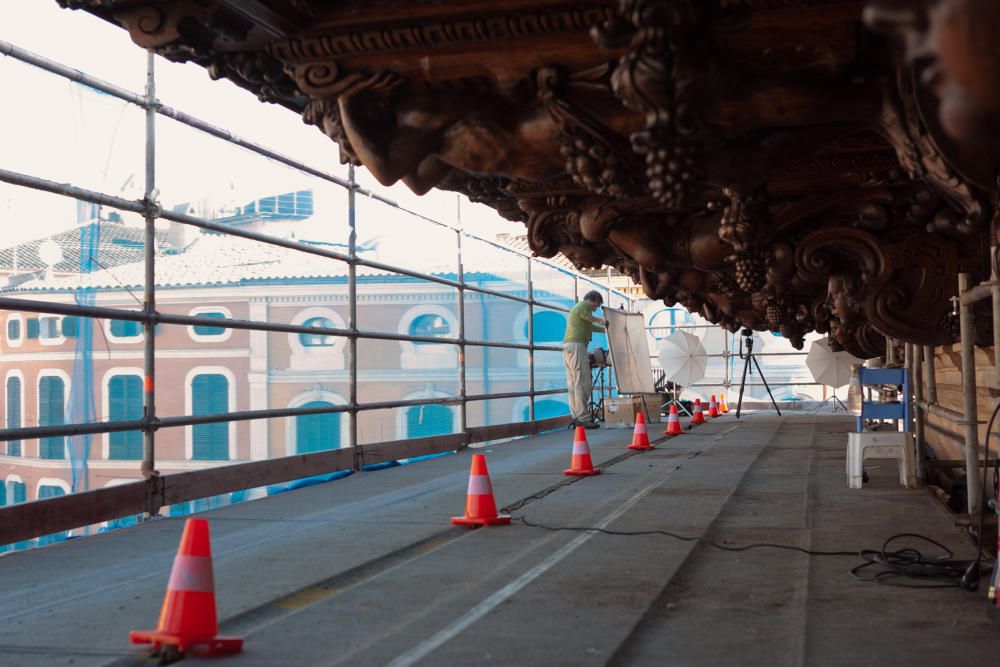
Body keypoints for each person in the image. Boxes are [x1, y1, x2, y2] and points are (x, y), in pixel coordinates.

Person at [563, 290, 608, 429]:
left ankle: (576, 416)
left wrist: (605, 329)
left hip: (569, 346)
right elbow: (583, 314)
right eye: (597, 305)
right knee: (582, 382)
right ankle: (583, 417)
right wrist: (600, 320)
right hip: (577, 346)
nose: (596, 309)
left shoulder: (581, 312)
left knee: (573, 383)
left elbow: (591, 326)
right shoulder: (582, 306)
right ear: (594, 300)